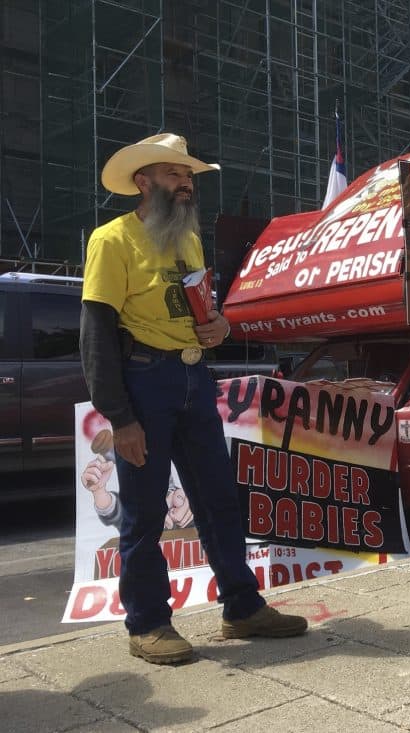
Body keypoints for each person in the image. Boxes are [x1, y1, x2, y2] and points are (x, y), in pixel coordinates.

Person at [80, 133, 307, 665]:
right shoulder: (111, 241)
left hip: (191, 378)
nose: (186, 184)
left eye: (189, 177)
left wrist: (220, 325)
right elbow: (95, 334)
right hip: (144, 380)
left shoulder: (188, 239)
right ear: (144, 182)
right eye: (175, 175)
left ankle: (242, 607)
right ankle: (148, 623)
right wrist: (120, 416)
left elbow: (201, 309)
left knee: (217, 499)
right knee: (143, 511)